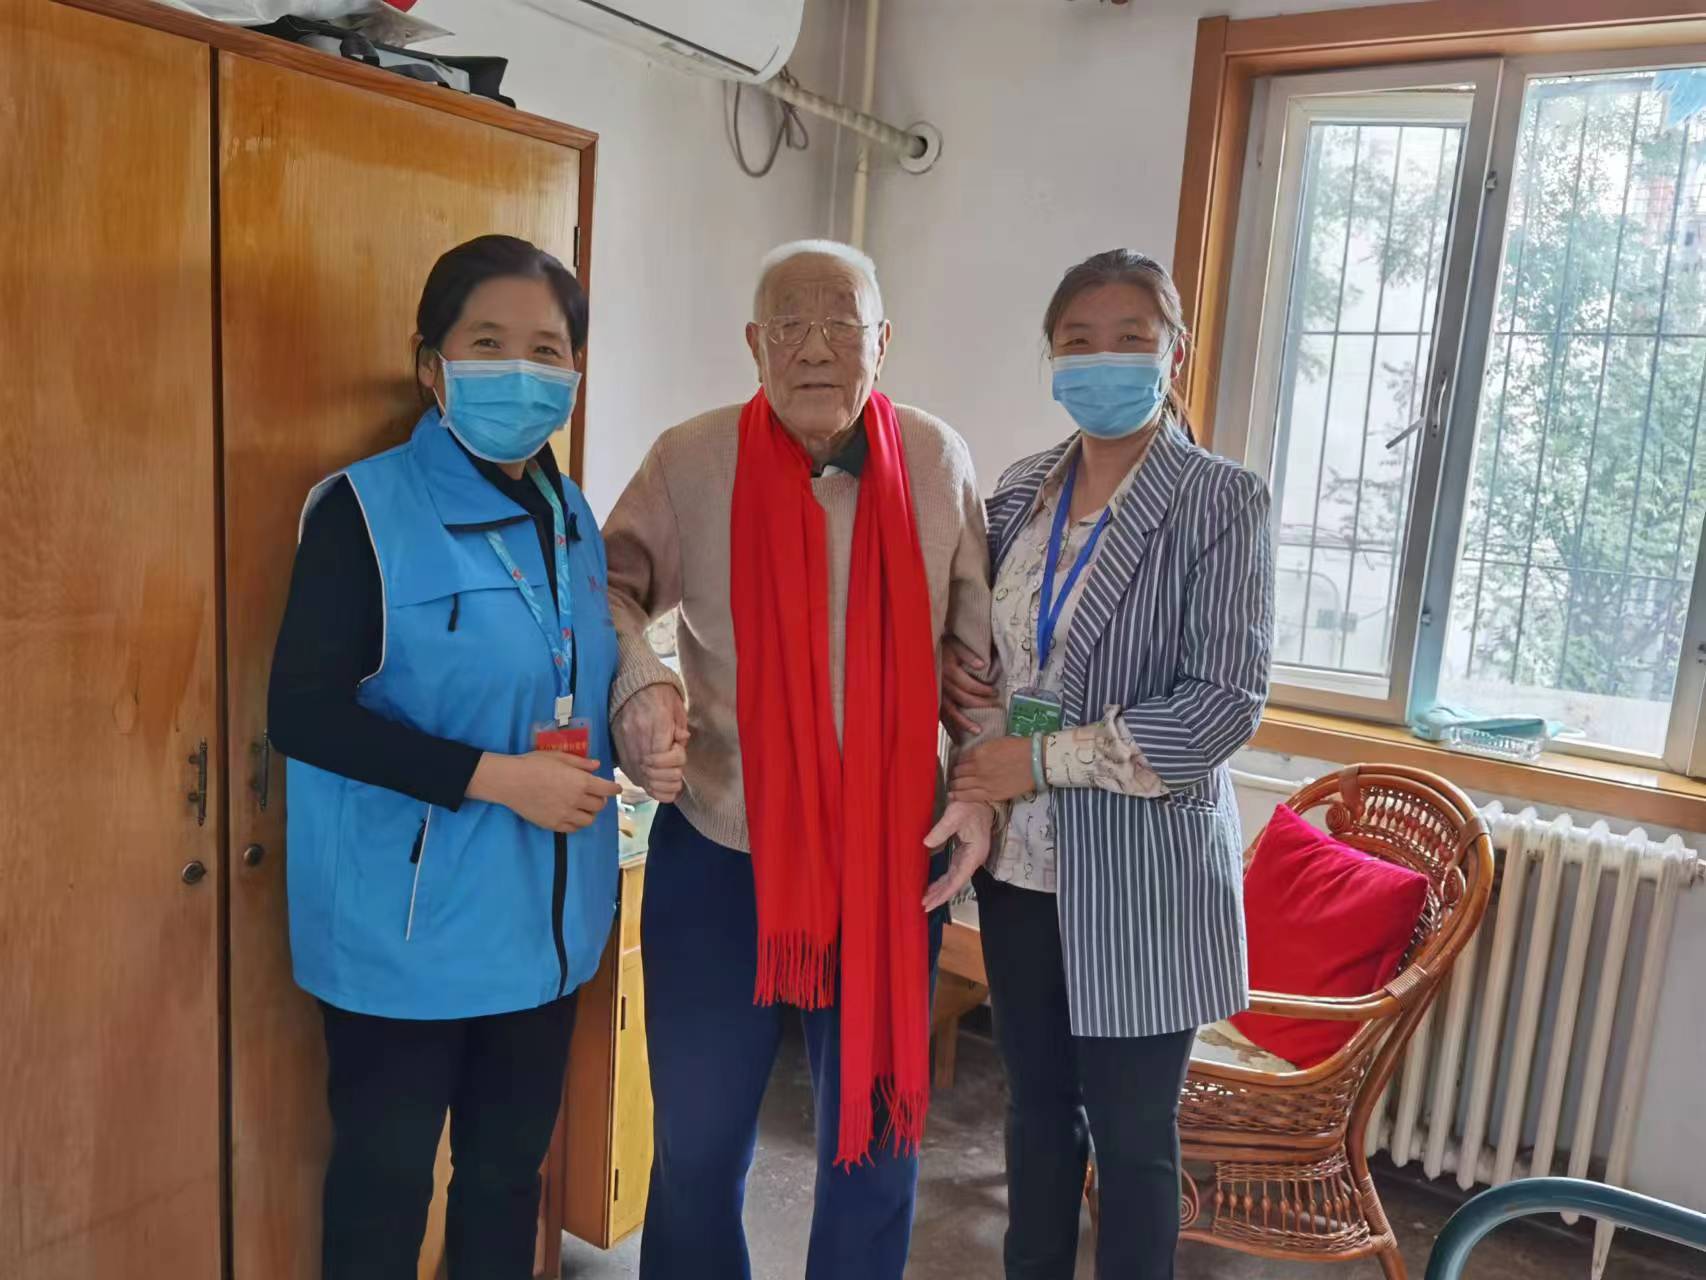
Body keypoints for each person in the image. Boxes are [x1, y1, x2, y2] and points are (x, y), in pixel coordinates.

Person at [602, 239, 1003, 1280]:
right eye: (788, 324)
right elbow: (604, 587)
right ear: (754, 343)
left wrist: (978, 787)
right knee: (695, 1147)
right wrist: (638, 678)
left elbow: (973, 661)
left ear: (883, 341)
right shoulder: (690, 459)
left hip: (886, 857)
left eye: (840, 323)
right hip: (721, 845)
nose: (814, 347)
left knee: (873, 1144)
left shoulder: (936, 461)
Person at [268, 235, 621, 1280]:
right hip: (406, 936)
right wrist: (497, 778)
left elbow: (579, 658)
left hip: (545, 932)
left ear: (574, 370)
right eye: (488, 343)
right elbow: (303, 714)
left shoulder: (571, 515)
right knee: (384, 1195)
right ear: (432, 364)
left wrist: (642, 701)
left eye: (546, 349)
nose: (521, 370)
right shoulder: (363, 511)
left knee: (506, 1181)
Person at [943, 249, 1274, 1280]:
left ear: (1175, 351)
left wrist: (1039, 759)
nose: (1103, 358)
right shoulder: (1017, 492)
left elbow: (1222, 706)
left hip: (1142, 873)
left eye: (1132, 337)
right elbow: (989, 664)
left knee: (1133, 1142)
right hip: (1020, 869)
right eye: (1077, 339)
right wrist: (970, 720)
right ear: (1050, 355)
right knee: (1035, 1114)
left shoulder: (1220, 500)